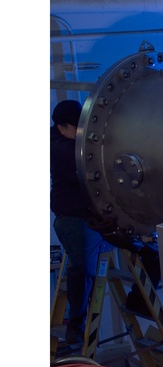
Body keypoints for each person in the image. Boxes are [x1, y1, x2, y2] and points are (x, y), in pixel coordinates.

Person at [51, 100, 103, 347]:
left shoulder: (72, 140)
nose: (82, 132)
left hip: (95, 217)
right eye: (77, 128)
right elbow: (84, 157)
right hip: (74, 219)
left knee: (148, 249)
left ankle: (139, 300)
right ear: (62, 128)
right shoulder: (59, 148)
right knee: (82, 268)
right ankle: (76, 326)